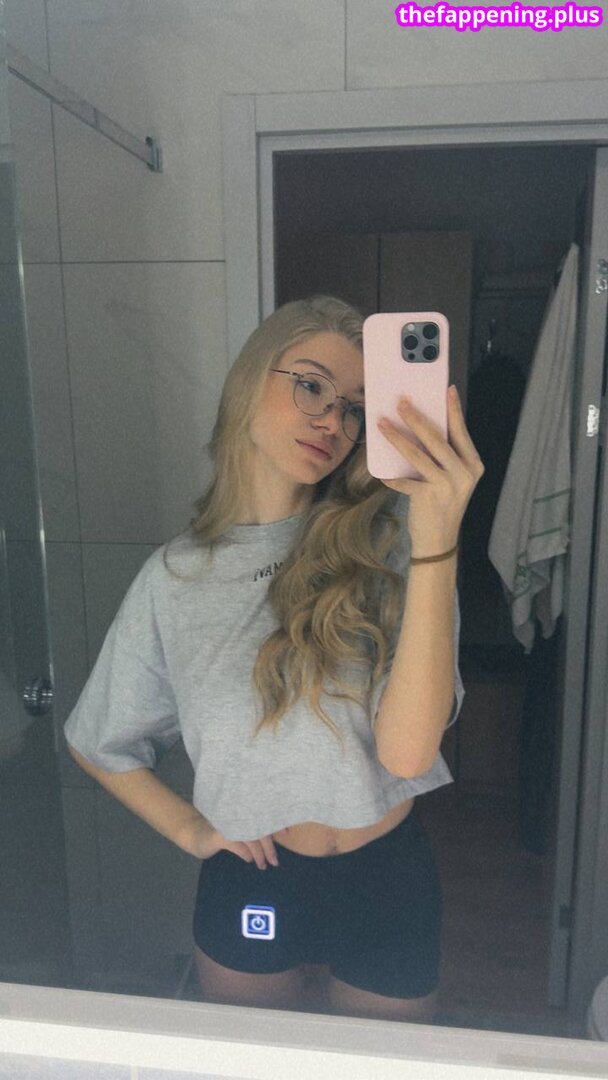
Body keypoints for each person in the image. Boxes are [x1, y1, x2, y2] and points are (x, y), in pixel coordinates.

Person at [65, 295, 484, 1024]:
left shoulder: (394, 540)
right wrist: (193, 831)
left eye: (354, 409)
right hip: (251, 876)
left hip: (384, 877)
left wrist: (438, 535)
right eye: (312, 385)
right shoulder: (176, 578)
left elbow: (409, 753)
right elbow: (97, 741)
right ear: (250, 381)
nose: (333, 422)